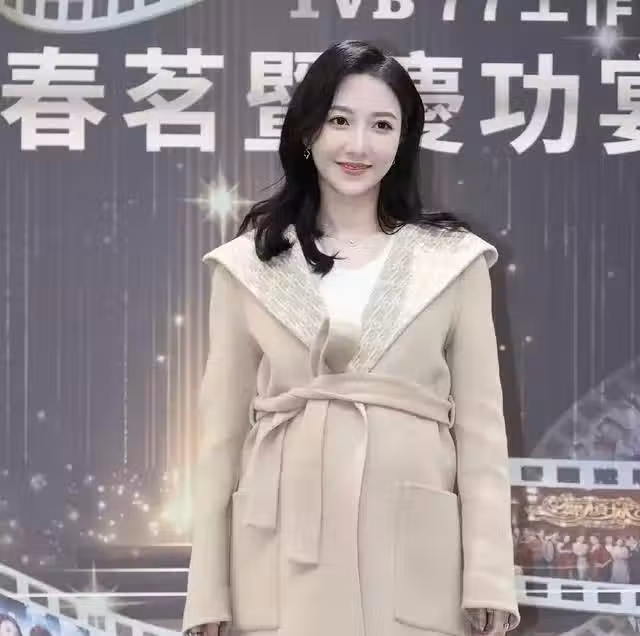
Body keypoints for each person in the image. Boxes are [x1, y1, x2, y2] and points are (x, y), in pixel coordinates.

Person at [182, 40, 520, 636]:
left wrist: (489, 575)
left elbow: (481, 433)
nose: (358, 145)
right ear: (307, 130)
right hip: (281, 554)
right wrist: (207, 593)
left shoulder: (454, 262)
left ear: (403, 141)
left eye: (381, 125)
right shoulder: (247, 265)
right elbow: (220, 441)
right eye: (340, 120)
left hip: (413, 555)